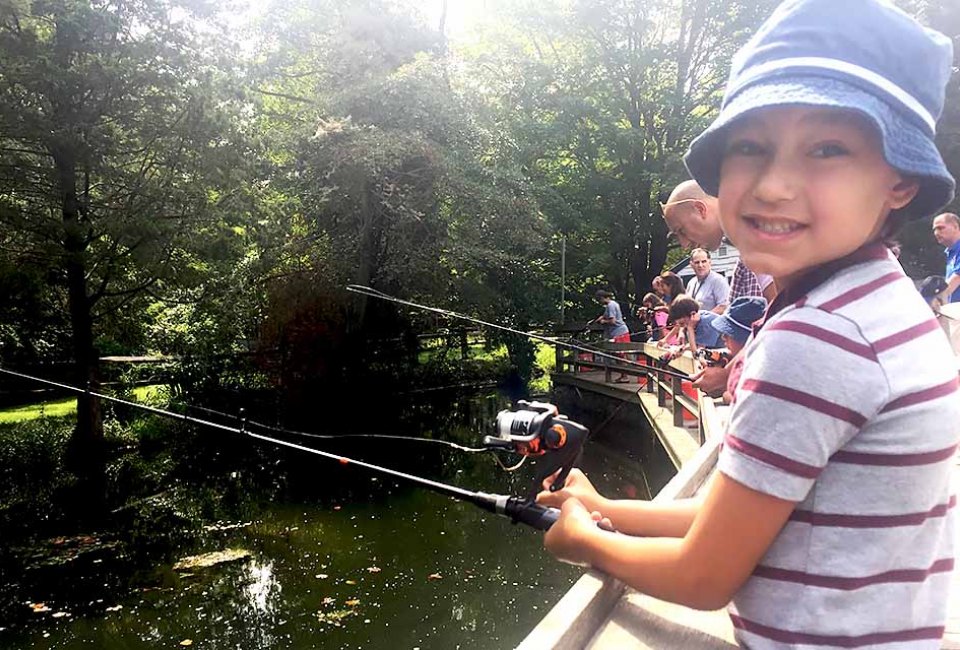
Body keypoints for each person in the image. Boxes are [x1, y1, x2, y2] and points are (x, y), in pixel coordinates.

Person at [538, 2, 959, 647]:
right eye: (750, 147)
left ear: (900, 182)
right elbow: (736, 514)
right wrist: (604, 509)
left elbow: (704, 575)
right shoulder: (875, 298)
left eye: (828, 148)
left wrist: (582, 540)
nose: (772, 186)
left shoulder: (820, 339)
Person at [662, 179, 777, 304]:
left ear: (700, 209)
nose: (684, 245)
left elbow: (786, 312)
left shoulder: (766, 231)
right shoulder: (745, 259)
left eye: (682, 231)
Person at [707, 296, 768, 403]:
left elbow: (739, 399)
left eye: (728, 333)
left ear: (746, 338)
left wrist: (725, 388)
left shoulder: (761, 366)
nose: (723, 337)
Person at [658, 296, 723, 353]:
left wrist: (690, 328)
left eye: (682, 324)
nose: (683, 327)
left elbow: (696, 353)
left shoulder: (706, 324)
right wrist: (682, 349)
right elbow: (696, 344)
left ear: (692, 314)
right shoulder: (695, 318)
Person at [595, 290, 631, 383]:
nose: (600, 302)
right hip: (618, 332)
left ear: (602, 298)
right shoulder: (613, 304)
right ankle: (623, 375)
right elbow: (607, 316)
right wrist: (602, 317)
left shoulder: (610, 305)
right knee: (618, 355)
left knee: (621, 355)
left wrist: (603, 322)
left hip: (619, 332)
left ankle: (625, 376)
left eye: (599, 300)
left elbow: (613, 321)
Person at [684, 248, 729, 313]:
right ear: (691, 264)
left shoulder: (718, 280)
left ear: (709, 262)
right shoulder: (691, 283)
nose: (700, 265)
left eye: (704, 261)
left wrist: (702, 318)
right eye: (697, 262)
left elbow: (723, 307)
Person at [932, 212, 960, 303]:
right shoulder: (951, 252)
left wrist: (935, 300)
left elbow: (957, 278)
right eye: (934, 230)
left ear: (956, 227)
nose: (936, 233)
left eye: (940, 228)